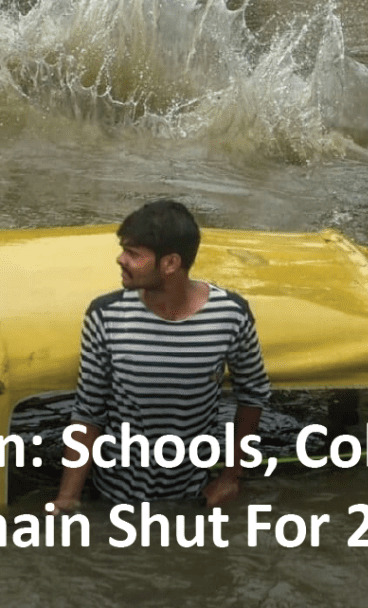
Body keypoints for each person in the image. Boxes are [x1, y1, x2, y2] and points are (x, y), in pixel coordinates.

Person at [50, 200, 271, 512]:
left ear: (170, 264)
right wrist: (68, 497)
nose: (120, 259)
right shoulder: (106, 315)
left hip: (192, 496)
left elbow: (254, 396)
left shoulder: (230, 316)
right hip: (113, 495)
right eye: (123, 249)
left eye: (134, 254)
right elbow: (88, 411)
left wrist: (230, 477)